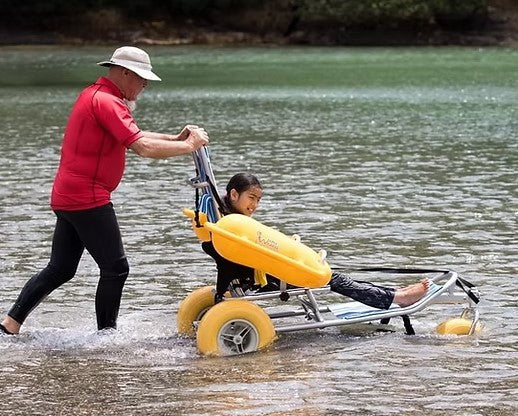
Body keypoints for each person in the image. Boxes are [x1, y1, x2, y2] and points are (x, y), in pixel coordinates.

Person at [0, 46, 209, 336]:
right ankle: (106, 337)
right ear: (125, 73)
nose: (145, 85)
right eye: (142, 79)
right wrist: (189, 146)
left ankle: (9, 325)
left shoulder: (100, 96)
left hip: (69, 195)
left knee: (61, 268)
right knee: (116, 268)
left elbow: (135, 135)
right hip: (87, 197)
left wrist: (175, 138)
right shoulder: (107, 102)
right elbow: (143, 147)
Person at [201, 173, 430, 308]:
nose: (255, 205)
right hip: (269, 279)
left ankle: (391, 292)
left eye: (258, 200)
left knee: (335, 274)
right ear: (233, 195)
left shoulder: (229, 224)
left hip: (265, 273)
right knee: (333, 278)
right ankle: (397, 298)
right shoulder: (231, 229)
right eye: (251, 198)